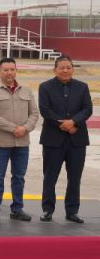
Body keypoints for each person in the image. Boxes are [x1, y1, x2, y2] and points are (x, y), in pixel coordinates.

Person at [0, 58, 39, 222]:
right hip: (1, 143)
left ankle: (17, 208)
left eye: (12, 69)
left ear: (16, 71)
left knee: (19, 177)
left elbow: (34, 114)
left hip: (22, 143)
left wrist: (25, 128)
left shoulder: (26, 90)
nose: (9, 73)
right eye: (5, 70)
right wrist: (13, 128)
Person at [38, 55, 91, 223]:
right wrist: (62, 124)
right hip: (53, 139)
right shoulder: (45, 87)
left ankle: (72, 211)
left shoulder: (82, 87)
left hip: (77, 139)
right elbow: (45, 110)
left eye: (68, 67)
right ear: (55, 69)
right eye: (62, 67)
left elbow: (87, 108)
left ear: (73, 69)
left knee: (75, 177)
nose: (65, 70)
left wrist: (74, 122)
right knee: (50, 176)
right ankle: (47, 209)